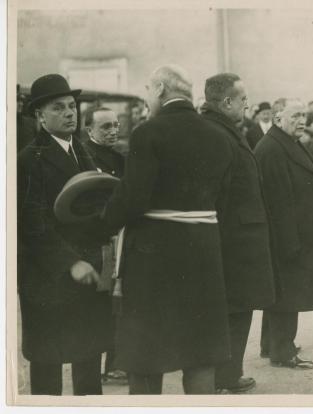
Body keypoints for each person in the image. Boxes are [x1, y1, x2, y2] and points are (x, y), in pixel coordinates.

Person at [101, 64, 233, 394]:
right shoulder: (219, 136)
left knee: (146, 357)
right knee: (200, 354)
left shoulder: (149, 132)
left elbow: (132, 199)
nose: (147, 97)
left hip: (154, 258)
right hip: (204, 254)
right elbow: (225, 198)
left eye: (148, 89)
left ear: (160, 89)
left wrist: (97, 226)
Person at [17, 74, 112, 395]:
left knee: (88, 358)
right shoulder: (29, 159)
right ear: (39, 116)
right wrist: (69, 262)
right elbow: (32, 223)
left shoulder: (83, 152)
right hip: (47, 278)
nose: (70, 113)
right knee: (48, 364)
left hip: (87, 271)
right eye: (59, 108)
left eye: (72, 106)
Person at [201, 73, 276, 393]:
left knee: (238, 307)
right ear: (226, 101)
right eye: (242, 98)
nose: (247, 103)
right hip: (233, 237)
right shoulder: (215, 131)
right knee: (234, 308)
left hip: (238, 235)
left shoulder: (224, 127)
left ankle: (229, 373)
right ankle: (225, 376)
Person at [254, 100, 313, 370]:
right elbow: (277, 200)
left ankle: (272, 344)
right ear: (279, 119)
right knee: (287, 292)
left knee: (282, 292)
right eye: (295, 116)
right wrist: (288, 242)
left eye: (304, 115)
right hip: (288, 235)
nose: (301, 120)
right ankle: (282, 351)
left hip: (298, 232)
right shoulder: (272, 148)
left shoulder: (286, 142)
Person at [81, 106, 127, 385]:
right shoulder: (86, 156)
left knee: (116, 299)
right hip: (96, 235)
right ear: (89, 130)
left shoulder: (120, 158)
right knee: (101, 299)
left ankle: (114, 362)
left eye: (115, 125)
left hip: (117, 232)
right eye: (105, 127)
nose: (112, 131)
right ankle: (97, 364)